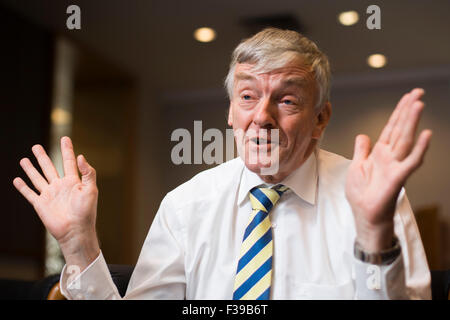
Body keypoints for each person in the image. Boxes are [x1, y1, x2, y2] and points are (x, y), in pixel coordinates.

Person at [13, 28, 432, 300]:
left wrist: (375, 236)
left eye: (287, 99)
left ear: (320, 118)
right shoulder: (184, 206)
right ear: (231, 113)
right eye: (247, 97)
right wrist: (79, 246)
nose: (262, 116)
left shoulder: (376, 199)